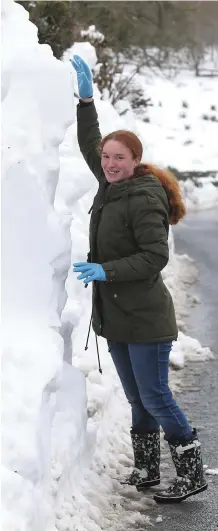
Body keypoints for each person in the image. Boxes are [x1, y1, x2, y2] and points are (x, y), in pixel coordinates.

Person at [72, 55, 207, 503]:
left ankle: (191, 471)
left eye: (118, 158)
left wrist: (105, 269)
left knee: (155, 396)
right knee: (137, 399)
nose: (109, 163)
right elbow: (91, 141)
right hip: (118, 316)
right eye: (107, 158)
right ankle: (147, 469)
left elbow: (153, 257)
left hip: (146, 318)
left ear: (135, 161)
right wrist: (86, 99)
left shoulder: (144, 197)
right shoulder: (110, 183)